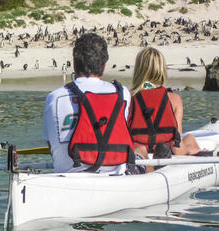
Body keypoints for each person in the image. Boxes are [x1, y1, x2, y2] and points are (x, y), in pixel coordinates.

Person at [42, 33, 136, 174]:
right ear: (104, 66)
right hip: (115, 180)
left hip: (67, 180)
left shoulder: (54, 98)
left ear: (74, 64)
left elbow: (51, 146)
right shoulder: (123, 94)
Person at [128, 47, 202, 156]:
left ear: (138, 70)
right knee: (190, 139)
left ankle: (142, 151)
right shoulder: (174, 99)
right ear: (162, 69)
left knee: (189, 138)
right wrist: (193, 151)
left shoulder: (128, 97)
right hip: (166, 149)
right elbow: (177, 146)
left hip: (137, 149)